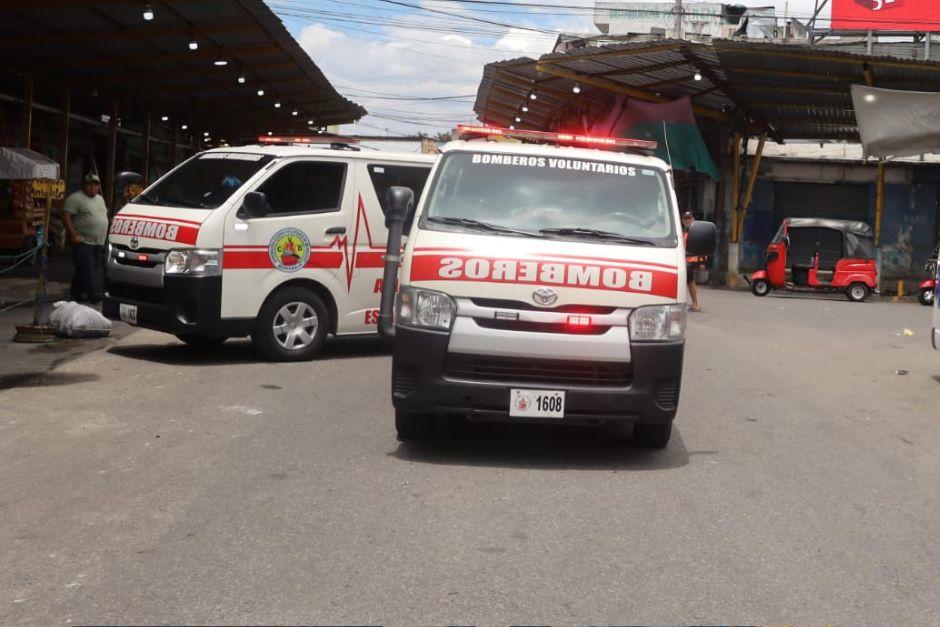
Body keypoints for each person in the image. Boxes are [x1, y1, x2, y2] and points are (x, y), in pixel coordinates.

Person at [62, 173, 109, 303]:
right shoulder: (75, 198)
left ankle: (75, 293)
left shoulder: (100, 198)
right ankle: (93, 294)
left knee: (85, 267)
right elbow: (66, 216)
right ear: (84, 186)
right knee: (88, 267)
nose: (92, 188)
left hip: (98, 241)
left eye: (95, 185)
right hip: (82, 240)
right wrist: (72, 234)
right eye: (90, 185)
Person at [682, 211, 703, 312]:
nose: (687, 220)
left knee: (690, 281)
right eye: (685, 218)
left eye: (689, 218)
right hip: (683, 260)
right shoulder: (681, 232)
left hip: (692, 260)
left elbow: (702, 247)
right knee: (688, 282)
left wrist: (703, 262)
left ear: (693, 219)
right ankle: (693, 303)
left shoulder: (696, 233)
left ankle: (695, 303)